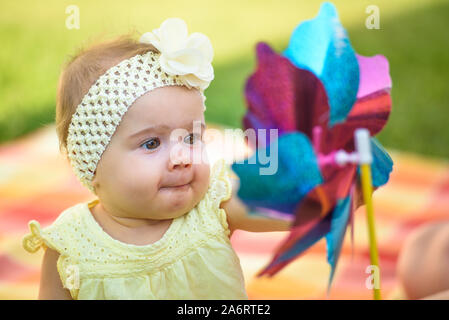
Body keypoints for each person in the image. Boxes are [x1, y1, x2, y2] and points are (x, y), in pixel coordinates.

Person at [21, 18, 291, 300]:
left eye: (191, 137)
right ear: (91, 163)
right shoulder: (71, 248)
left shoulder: (212, 205)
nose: (182, 157)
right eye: (151, 143)